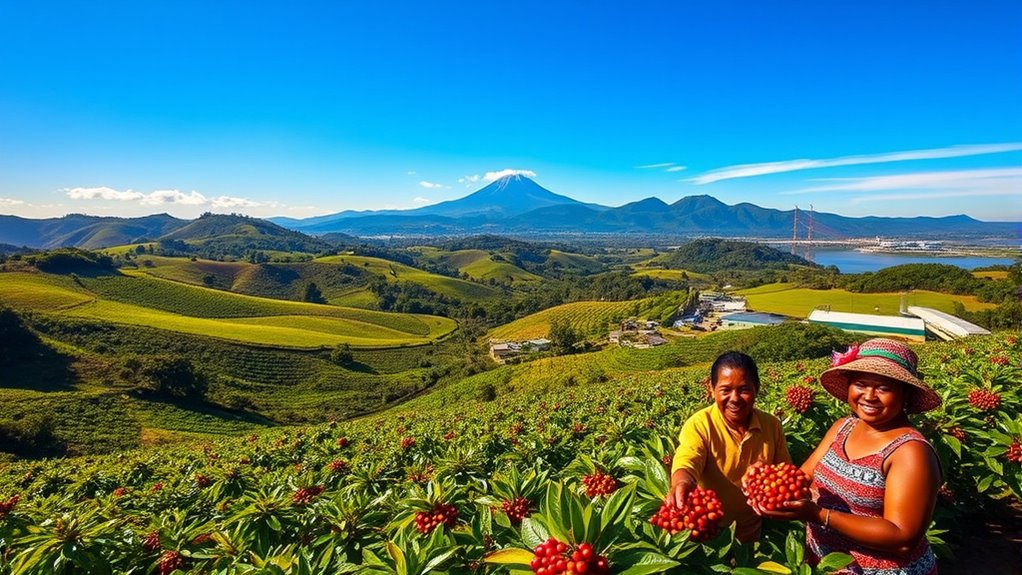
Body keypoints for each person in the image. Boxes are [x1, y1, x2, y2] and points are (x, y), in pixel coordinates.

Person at [755, 338, 941, 574]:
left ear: (905, 395)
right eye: (861, 384)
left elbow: (902, 538)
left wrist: (819, 514)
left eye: (883, 388)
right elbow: (801, 478)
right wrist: (762, 480)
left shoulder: (911, 452)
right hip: (825, 563)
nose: (869, 396)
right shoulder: (842, 427)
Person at [668, 351, 792, 542]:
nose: (734, 398)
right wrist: (683, 483)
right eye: (725, 390)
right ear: (712, 389)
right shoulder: (700, 424)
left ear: (756, 388)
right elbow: (688, 459)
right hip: (708, 536)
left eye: (744, 389)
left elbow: (785, 474)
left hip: (752, 536)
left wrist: (766, 477)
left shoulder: (771, 425)